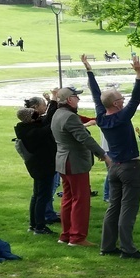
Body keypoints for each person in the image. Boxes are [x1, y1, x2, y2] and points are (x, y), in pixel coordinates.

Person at [83, 54, 140, 259]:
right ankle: (128, 249)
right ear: (117, 104)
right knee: (128, 209)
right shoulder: (121, 117)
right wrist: (139, 75)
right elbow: (136, 99)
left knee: (114, 207)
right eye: (121, 98)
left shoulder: (102, 117)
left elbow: (96, 95)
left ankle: (107, 246)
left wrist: (89, 71)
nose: (124, 99)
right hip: (130, 167)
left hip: (114, 169)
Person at [51, 86, 111, 247]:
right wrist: (103, 155)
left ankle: (65, 235)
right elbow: (85, 138)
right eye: (76, 97)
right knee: (80, 199)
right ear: (69, 100)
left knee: (68, 198)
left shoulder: (57, 114)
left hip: (63, 162)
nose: (78, 99)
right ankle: (77, 237)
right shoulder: (70, 117)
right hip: (74, 162)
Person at [15, 92, 58, 235]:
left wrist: (52, 101)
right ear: (30, 119)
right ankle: (39, 226)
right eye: (35, 115)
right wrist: (53, 100)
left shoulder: (27, 128)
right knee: (43, 196)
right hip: (43, 167)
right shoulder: (33, 133)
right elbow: (49, 122)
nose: (39, 116)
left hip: (37, 167)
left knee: (36, 195)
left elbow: (46, 119)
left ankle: (33, 224)